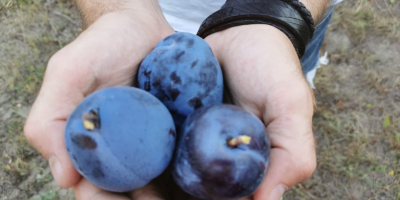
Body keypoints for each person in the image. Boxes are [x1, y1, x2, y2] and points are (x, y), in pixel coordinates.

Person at [23, 0, 339, 199]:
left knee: (290, 72)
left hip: (279, 16)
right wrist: (120, 9)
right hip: (148, 18)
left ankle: (301, 79)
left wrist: (270, 16)